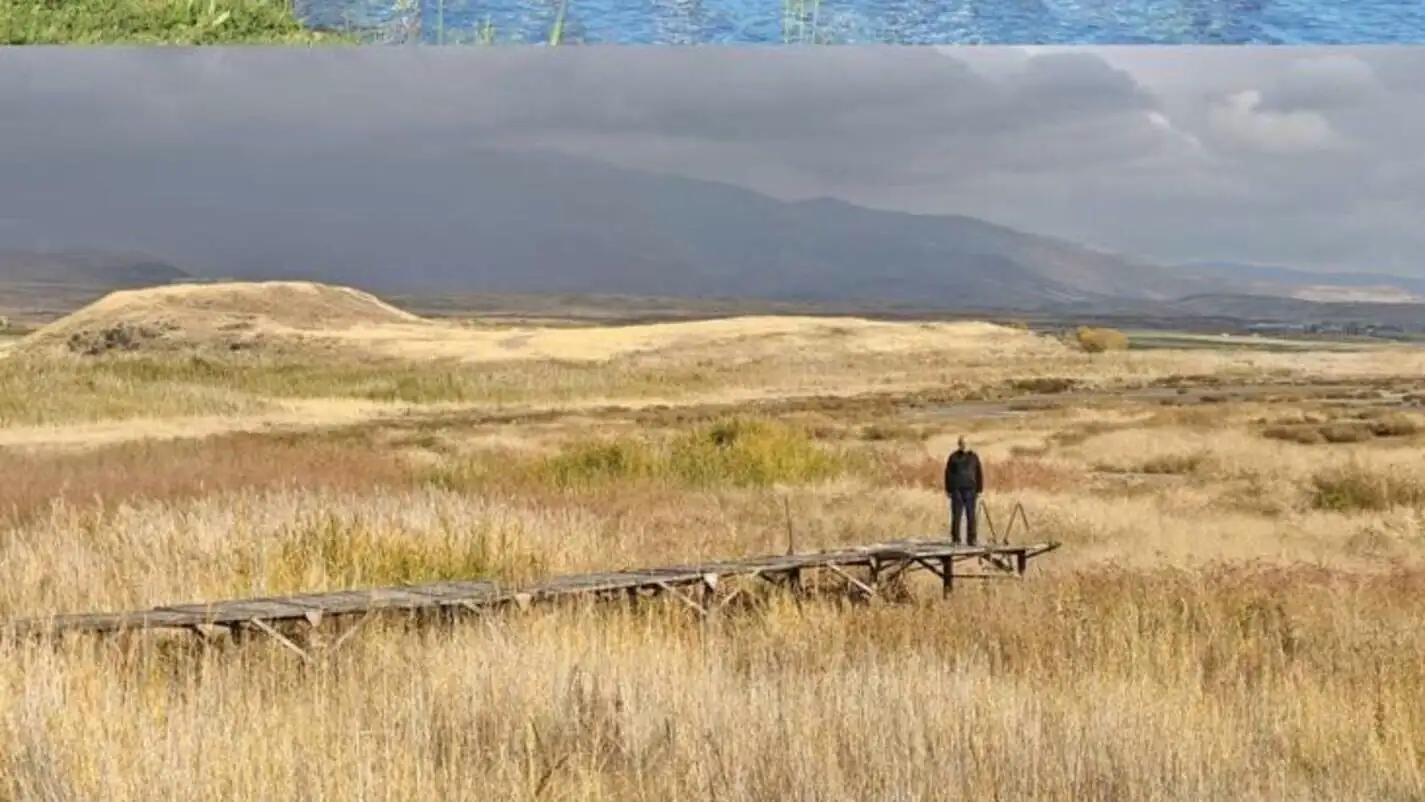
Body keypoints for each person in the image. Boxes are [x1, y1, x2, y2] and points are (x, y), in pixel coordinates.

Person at [944, 436, 984, 546]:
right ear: (959, 444)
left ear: (969, 444)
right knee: (956, 515)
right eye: (962, 443)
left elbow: (979, 473)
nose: (964, 445)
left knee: (971, 515)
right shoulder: (953, 457)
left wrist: (980, 489)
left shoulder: (974, 457)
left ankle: (972, 539)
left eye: (966, 443)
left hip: (971, 489)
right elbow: (948, 473)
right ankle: (956, 539)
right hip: (957, 490)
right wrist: (948, 489)